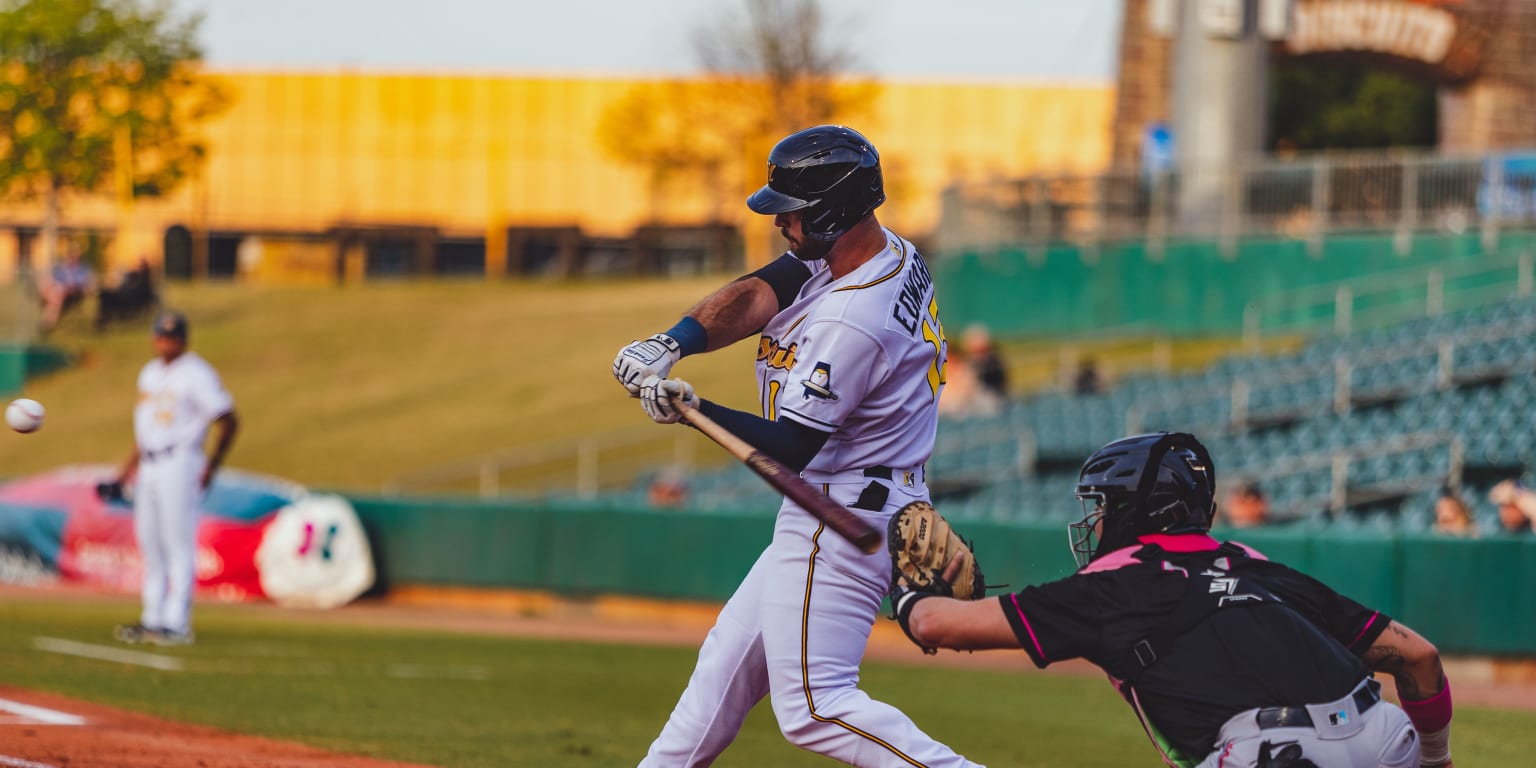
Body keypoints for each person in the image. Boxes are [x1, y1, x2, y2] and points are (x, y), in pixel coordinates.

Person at [611, 125, 980, 767]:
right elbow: (761, 290)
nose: (782, 223)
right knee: (719, 679)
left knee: (815, 707)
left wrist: (692, 407)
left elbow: (791, 446)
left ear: (834, 211)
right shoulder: (882, 250)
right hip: (862, 493)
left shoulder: (852, 320)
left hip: (837, 509)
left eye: (794, 212)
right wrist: (674, 341)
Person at [891, 432, 1453, 768]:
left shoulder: (1113, 587)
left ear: (1134, 512)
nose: (1096, 520)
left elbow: (940, 626)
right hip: (1385, 736)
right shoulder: (1259, 567)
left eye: (1103, 507)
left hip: (1271, 752)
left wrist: (908, 594)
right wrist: (1436, 761)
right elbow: (1422, 658)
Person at [107, 310, 239, 646]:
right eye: (161, 335)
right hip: (150, 463)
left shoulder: (197, 373)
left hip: (181, 461)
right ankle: (153, 618)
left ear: (184, 339)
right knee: (150, 543)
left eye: (173, 336)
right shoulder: (150, 373)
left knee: (178, 542)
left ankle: (177, 621)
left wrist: (213, 463)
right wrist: (125, 471)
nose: (166, 341)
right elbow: (147, 432)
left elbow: (227, 418)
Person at [38, 239, 93, 333]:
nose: (72, 255)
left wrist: (67, 278)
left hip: (72, 292)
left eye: (75, 252)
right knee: (48, 283)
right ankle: (47, 303)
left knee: (56, 293)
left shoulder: (82, 268)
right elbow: (54, 277)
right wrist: (65, 268)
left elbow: (80, 283)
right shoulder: (62, 267)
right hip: (58, 290)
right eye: (71, 252)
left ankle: (48, 322)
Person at [962, 324, 1008, 402]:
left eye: (981, 351)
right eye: (976, 352)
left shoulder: (994, 364)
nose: (979, 355)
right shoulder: (968, 364)